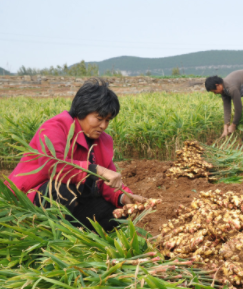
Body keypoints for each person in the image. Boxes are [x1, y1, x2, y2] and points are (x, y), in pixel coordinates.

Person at [8, 78, 146, 232]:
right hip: (32, 198)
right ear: (82, 112)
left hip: (74, 202)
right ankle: (50, 236)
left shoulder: (102, 140)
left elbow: (106, 182)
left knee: (117, 214)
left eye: (108, 120)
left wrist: (124, 197)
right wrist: (97, 170)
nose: (103, 126)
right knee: (62, 191)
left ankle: (77, 236)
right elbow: (54, 166)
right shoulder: (55, 127)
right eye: (99, 119)